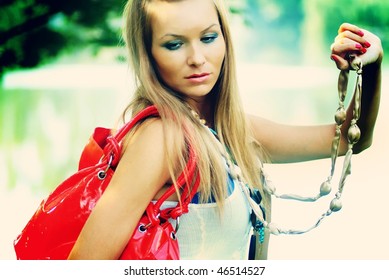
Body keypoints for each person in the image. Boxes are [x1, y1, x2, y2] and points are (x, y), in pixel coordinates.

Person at [68, 0, 383, 260]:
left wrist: (370, 63)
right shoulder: (161, 138)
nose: (197, 58)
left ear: (225, 39)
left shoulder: (229, 129)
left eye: (208, 38)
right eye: (174, 44)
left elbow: (350, 140)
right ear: (147, 54)